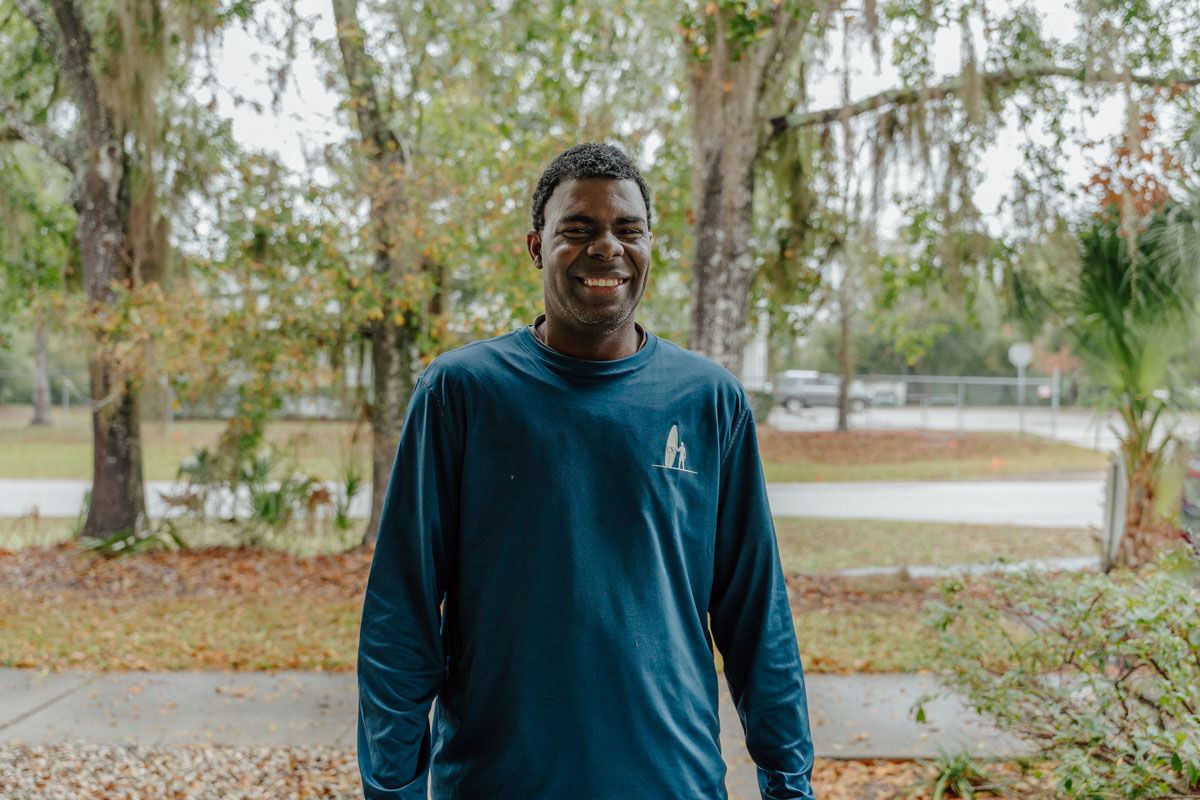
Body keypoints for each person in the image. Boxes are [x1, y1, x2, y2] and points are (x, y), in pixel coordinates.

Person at [357, 142, 815, 799]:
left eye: (628, 229)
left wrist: (789, 784)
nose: (607, 248)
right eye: (578, 229)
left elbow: (756, 617)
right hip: (496, 784)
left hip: (673, 784)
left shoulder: (708, 400)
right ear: (536, 246)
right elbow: (399, 616)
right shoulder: (462, 393)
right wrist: (394, 790)